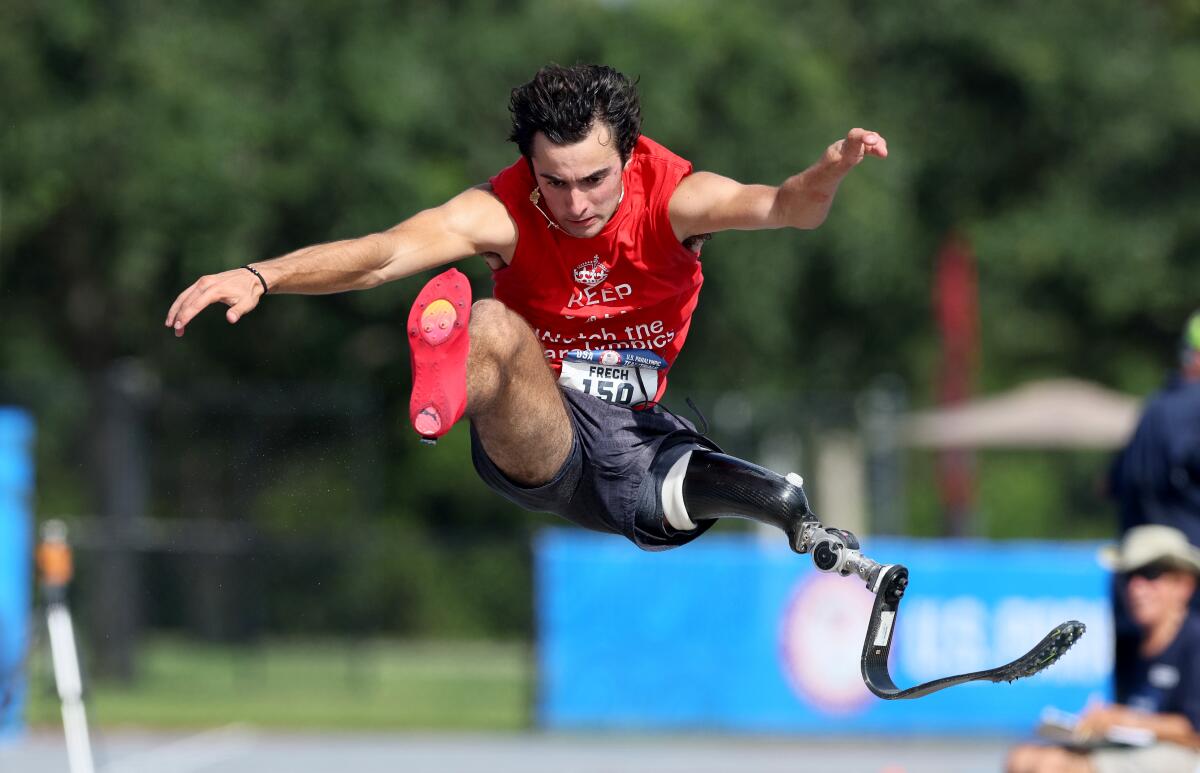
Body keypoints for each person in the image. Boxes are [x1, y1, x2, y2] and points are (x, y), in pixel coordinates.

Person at [164, 63, 887, 554]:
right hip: (543, 431)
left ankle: (783, 511)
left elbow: (787, 207)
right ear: (530, 168)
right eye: (554, 182)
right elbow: (382, 254)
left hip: (635, 442)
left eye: (595, 180)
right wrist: (264, 275)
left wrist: (827, 172)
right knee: (489, 321)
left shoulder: (676, 198)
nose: (575, 204)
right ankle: (450, 391)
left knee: (740, 488)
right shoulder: (501, 211)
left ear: (629, 158)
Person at [1005, 524, 1200, 773]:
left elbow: (1194, 730)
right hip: (1138, 746)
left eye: (1150, 574)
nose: (1136, 588)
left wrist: (1122, 719)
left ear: (1184, 584)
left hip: (1183, 754)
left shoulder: (1194, 641)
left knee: (1054, 767)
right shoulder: (1130, 642)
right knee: (1023, 758)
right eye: (1129, 576)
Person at [1108, 311, 1200, 695]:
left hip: (1135, 576)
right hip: (1184, 581)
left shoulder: (1154, 408)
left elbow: (1111, 483)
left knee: (1136, 708)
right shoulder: (1191, 409)